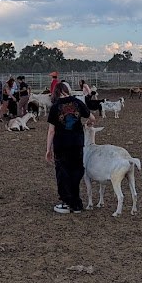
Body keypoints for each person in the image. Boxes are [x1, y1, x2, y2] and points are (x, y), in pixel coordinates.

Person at [45, 81, 92, 214]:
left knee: (63, 172)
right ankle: (76, 204)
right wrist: (87, 124)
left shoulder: (55, 107)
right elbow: (92, 118)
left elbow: (51, 131)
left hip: (61, 145)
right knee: (76, 172)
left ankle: (66, 203)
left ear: (56, 93)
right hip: (77, 144)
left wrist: (48, 149)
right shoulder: (78, 102)